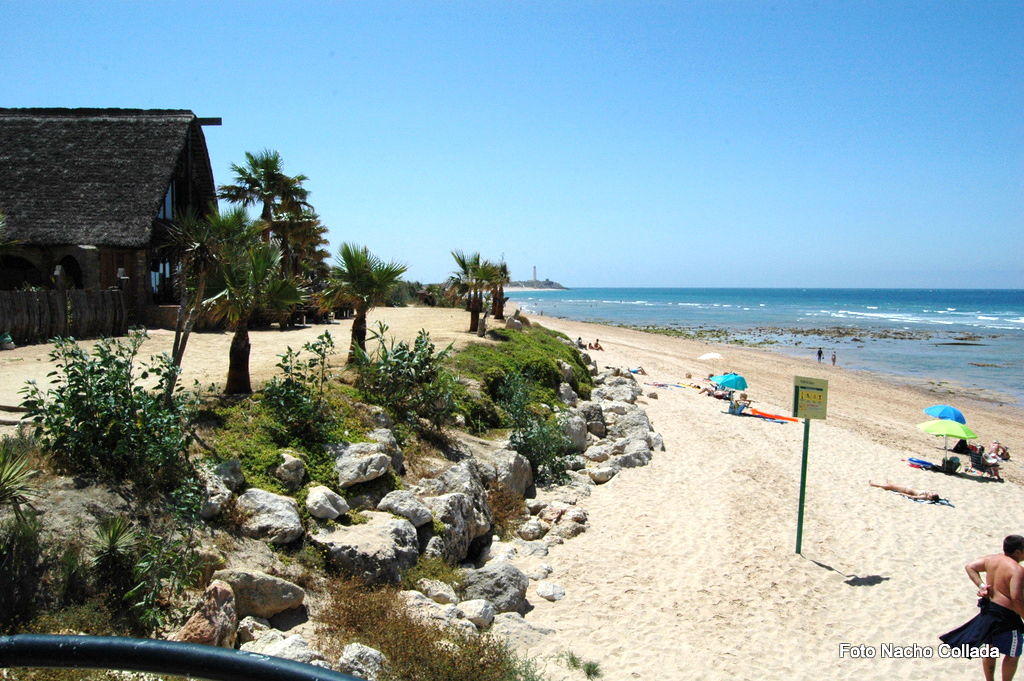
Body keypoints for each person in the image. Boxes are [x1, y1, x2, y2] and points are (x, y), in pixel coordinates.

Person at [940, 535, 1024, 681]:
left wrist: (982, 586)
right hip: (1007, 617)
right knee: (1013, 654)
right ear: (1017, 552)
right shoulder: (1017, 570)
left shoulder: (992, 559)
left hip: (989, 610)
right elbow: (1016, 598)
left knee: (991, 650)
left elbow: (970, 566)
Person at [868, 480, 940, 502]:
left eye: (932, 494)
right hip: (908, 488)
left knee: (891, 487)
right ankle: (885, 484)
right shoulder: (927, 494)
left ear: (930, 498)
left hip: (906, 490)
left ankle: (873, 484)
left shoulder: (924, 496)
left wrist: (902, 494)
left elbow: (912, 496)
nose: (931, 493)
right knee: (892, 485)